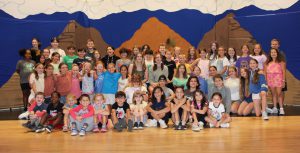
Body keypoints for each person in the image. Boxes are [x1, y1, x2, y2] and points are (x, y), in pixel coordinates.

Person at [265, 48, 286, 115]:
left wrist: (283, 81)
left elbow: (284, 72)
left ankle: (281, 108)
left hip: (278, 79)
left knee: (279, 94)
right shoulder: (267, 63)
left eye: (274, 52)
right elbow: (265, 73)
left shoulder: (281, 62)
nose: (273, 54)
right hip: (270, 80)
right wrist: (266, 81)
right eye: (272, 52)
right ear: (270, 54)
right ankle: (275, 108)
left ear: (277, 54)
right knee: (273, 94)